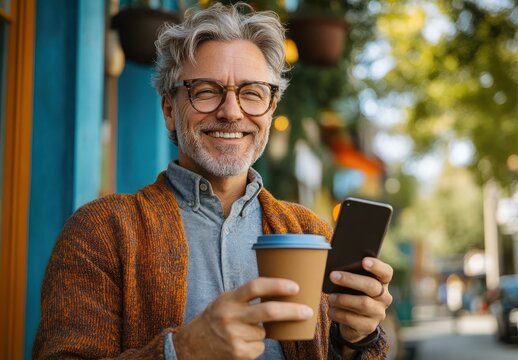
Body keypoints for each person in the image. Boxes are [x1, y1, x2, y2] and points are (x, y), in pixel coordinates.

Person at [33, 3, 393, 359]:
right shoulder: (102, 231)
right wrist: (182, 351)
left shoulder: (311, 232)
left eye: (252, 93)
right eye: (206, 90)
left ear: (271, 111)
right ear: (170, 110)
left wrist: (355, 341)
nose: (231, 112)